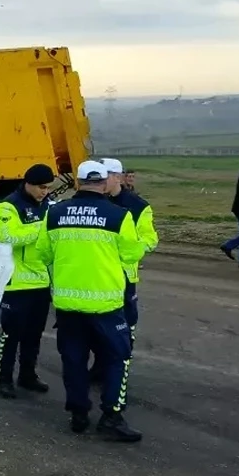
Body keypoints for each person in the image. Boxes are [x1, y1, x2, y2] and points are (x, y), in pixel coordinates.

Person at [37, 161, 145, 441]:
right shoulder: (119, 216)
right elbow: (132, 255)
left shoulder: (55, 214)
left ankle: (78, 414)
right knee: (116, 359)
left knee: (73, 360)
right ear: (103, 183)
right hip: (107, 305)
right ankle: (111, 416)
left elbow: (43, 254)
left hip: (67, 305)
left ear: (78, 182)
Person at [94, 158, 157, 405]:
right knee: (97, 327)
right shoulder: (95, 202)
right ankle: (99, 369)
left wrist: (129, 252)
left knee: (123, 330)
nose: (102, 179)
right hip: (98, 276)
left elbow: (150, 239)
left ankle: (119, 379)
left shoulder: (138, 207)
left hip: (123, 277)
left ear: (118, 177)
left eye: (106, 175)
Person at [0, 163, 55, 398]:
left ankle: (27, 375)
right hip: (16, 284)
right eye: (41, 187)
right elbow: (8, 237)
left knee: (34, 335)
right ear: (28, 183)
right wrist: (42, 228)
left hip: (41, 283)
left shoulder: (48, 205)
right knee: (11, 335)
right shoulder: (8, 206)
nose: (45, 192)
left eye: (48, 187)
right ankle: (5, 379)